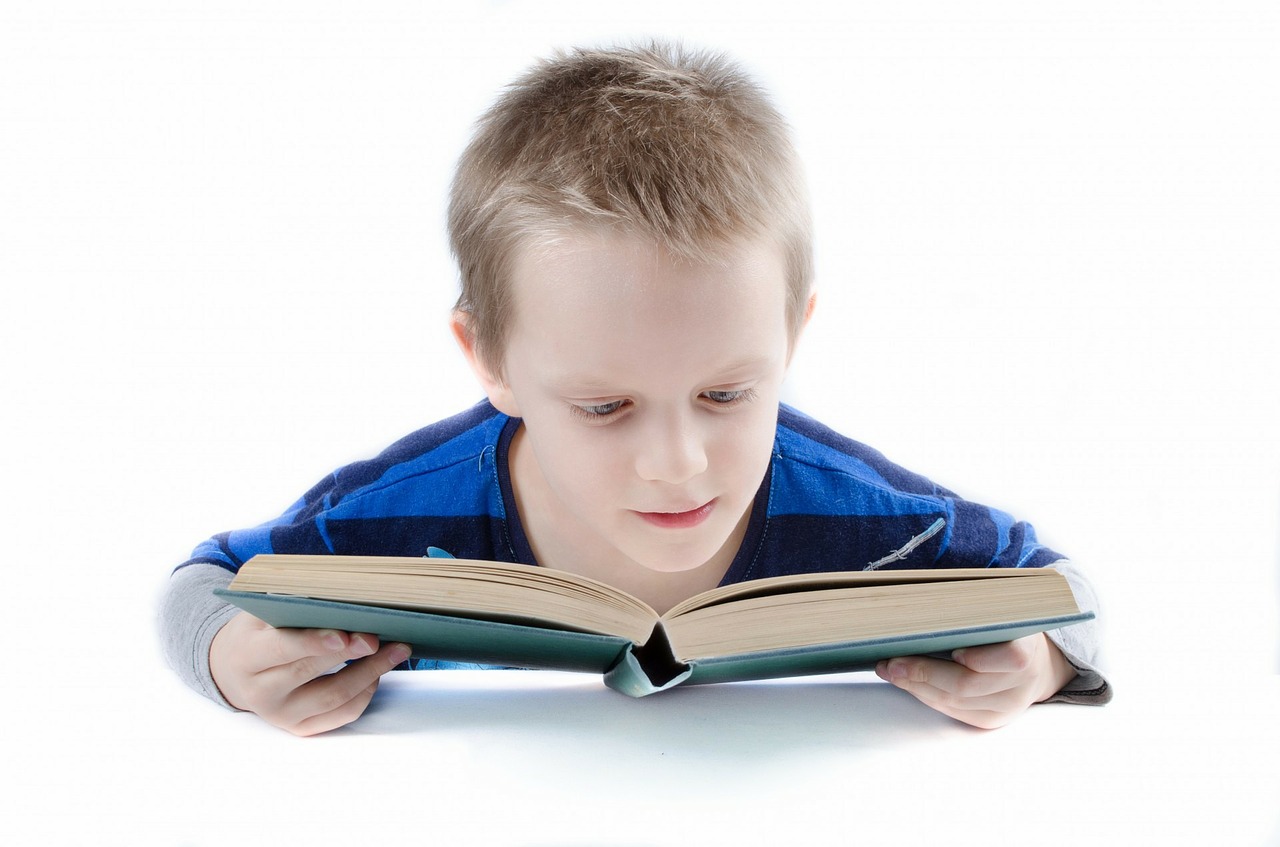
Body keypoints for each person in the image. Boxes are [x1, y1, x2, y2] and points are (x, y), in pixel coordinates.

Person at [160, 42, 1111, 736]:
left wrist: (1039, 665)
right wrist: (227, 660)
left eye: (729, 394)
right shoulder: (395, 515)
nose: (678, 463)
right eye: (604, 407)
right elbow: (205, 579)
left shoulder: (879, 521)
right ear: (487, 357)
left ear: (791, 336)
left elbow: (1060, 591)